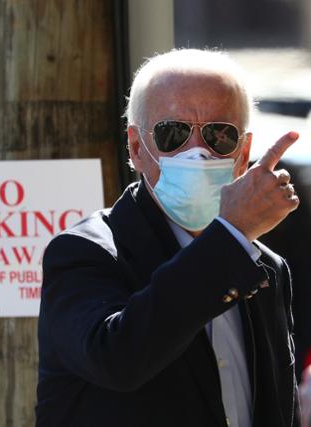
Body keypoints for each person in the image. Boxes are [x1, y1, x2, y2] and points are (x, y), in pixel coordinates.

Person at [36, 49, 301, 427]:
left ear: (242, 154)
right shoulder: (86, 252)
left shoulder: (265, 268)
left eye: (219, 135)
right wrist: (230, 236)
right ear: (136, 148)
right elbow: (119, 359)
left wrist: (231, 240)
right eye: (172, 133)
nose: (197, 153)